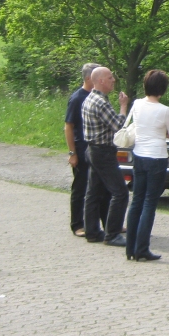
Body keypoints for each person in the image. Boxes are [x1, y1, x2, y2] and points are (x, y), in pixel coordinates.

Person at [124, 70, 169, 262]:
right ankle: (142, 248)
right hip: (157, 157)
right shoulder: (164, 110)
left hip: (139, 154)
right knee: (149, 202)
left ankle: (130, 247)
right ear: (163, 89)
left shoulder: (137, 104)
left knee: (136, 200)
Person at [82, 67, 130, 246]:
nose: (113, 80)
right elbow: (118, 125)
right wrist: (124, 107)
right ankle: (112, 234)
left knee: (93, 192)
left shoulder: (89, 98)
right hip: (103, 152)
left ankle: (92, 232)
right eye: (110, 78)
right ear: (101, 81)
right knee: (120, 192)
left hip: (92, 149)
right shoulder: (101, 103)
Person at [64, 62, 100, 236]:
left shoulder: (98, 97)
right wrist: (72, 153)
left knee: (100, 187)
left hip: (96, 149)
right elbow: (68, 126)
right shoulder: (78, 98)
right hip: (81, 148)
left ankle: (104, 222)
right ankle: (77, 224)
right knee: (80, 187)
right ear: (88, 79)